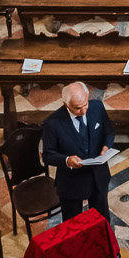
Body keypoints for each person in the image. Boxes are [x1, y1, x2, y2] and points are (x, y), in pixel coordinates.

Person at [40, 80, 115, 221]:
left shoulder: (97, 107)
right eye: (77, 108)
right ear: (66, 104)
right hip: (71, 182)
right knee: (73, 226)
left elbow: (109, 132)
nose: (84, 111)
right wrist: (67, 160)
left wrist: (106, 146)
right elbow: (48, 155)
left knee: (101, 222)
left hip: (98, 176)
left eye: (85, 104)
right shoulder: (52, 123)